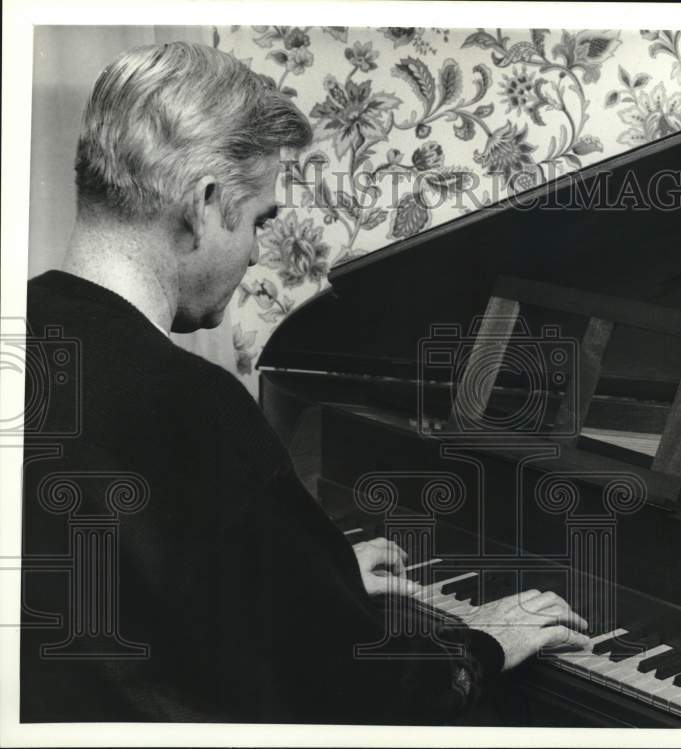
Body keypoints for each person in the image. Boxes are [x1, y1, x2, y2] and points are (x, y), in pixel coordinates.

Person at [20, 41, 589, 725]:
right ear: (204, 204)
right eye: (259, 219)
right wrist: (482, 644)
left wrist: (304, 579)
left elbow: (125, 587)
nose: (258, 251)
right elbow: (352, 695)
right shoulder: (193, 404)